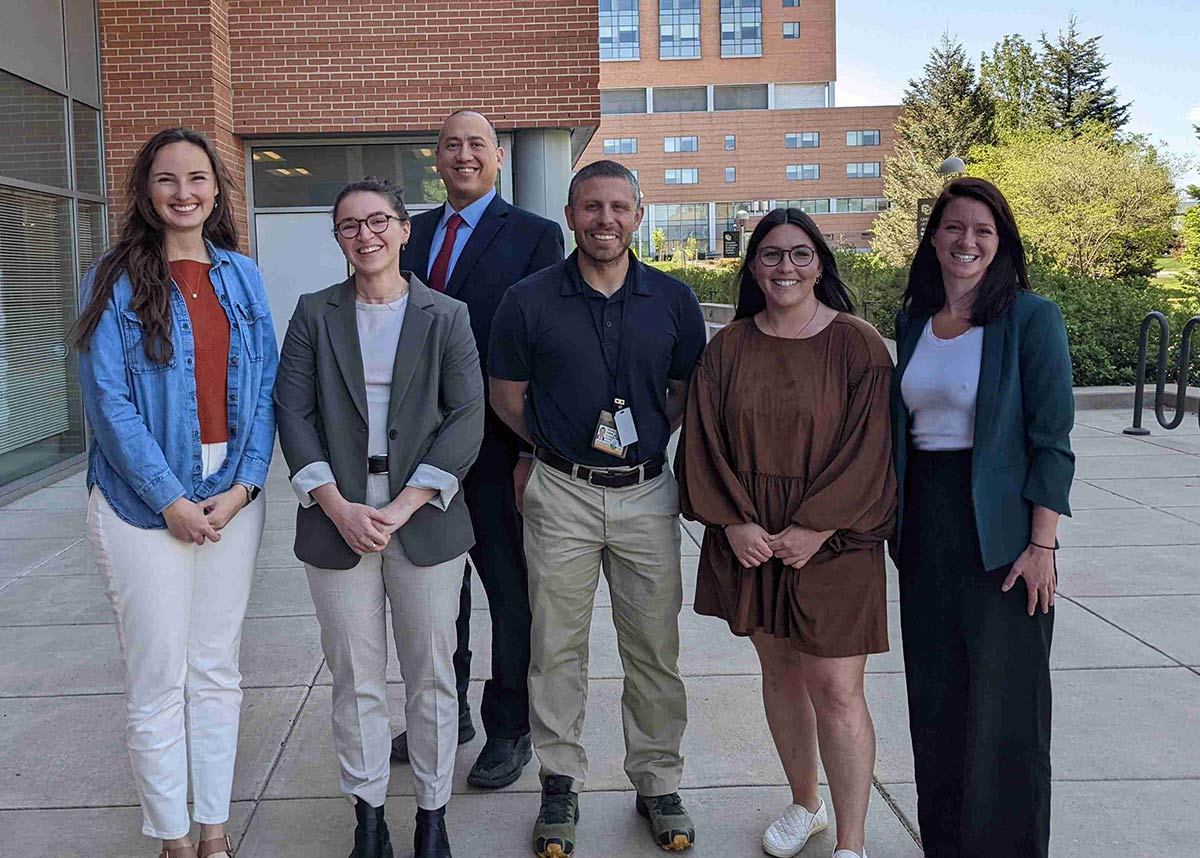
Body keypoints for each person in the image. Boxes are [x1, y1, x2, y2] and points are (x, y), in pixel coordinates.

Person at [488, 159, 707, 857]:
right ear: (570, 215)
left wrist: (637, 453)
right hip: (562, 493)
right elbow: (507, 395)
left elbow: (680, 394)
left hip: (646, 494)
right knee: (555, 648)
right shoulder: (527, 300)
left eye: (617, 207)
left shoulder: (673, 301)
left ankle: (657, 781)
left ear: (639, 215)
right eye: (590, 207)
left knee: (654, 650)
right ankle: (560, 783)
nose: (604, 219)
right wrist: (554, 448)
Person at [75, 127, 277, 858]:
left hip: (229, 499)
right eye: (167, 179)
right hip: (140, 506)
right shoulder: (113, 277)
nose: (183, 192)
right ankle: (172, 840)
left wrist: (248, 485)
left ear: (218, 190)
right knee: (159, 677)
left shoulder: (243, 277)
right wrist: (168, 498)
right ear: (146, 191)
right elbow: (107, 400)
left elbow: (263, 393)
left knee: (216, 673)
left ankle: (214, 834)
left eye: (197, 178)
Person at [273, 178, 484, 858]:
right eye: (349, 226)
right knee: (355, 676)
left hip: (422, 515)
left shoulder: (446, 315)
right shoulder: (314, 313)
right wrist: (334, 504)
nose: (364, 235)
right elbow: (292, 412)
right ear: (338, 238)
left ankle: (431, 814)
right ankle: (368, 817)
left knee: (431, 672)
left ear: (403, 229)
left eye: (377, 222)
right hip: (336, 513)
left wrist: (399, 507)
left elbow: (467, 418)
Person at [676, 208, 895, 858]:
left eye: (800, 254)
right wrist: (733, 520)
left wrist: (816, 525)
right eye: (771, 254)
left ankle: (851, 843)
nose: (785, 267)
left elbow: (873, 448)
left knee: (836, 687)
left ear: (820, 263)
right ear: (753, 266)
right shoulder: (730, 347)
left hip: (837, 540)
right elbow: (703, 443)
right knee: (780, 672)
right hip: (754, 540)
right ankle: (806, 804)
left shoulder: (857, 344)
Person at [890, 177, 1074, 858]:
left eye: (983, 231)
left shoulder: (1031, 318)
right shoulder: (915, 320)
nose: (966, 241)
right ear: (934, 237)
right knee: (937, 702)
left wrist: (1042, 544)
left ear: (1001, 244)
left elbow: (1052, 440)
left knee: (1006, 710)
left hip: (1003, 533)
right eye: (954, 227)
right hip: (926, 530)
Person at [391, 109, 565, 790]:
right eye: (450, 145)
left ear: (498, 158)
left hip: (497, 453)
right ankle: (447, 713)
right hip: (421, 455)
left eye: (476, 145)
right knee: (438, 596)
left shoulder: (534, 236)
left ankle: (509, 729)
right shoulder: (413, 234)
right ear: (436, 158)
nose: (463, 155)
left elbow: (543, 348)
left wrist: (531, 451)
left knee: (509, 595)